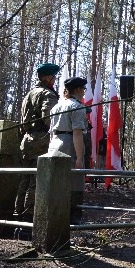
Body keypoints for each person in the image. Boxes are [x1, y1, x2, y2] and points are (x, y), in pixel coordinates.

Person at [15, 63, 60, 222]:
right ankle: (29, 216)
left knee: (24, 180)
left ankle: (18, 212)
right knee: (36, 180)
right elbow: (49, 119)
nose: (55, 80)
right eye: (53, 77)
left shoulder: (29, 94)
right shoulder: (47, 94)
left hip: (27, 140)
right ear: (47, 78)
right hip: (41, 141)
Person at [48, 76, 88, 224]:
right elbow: (77, 133)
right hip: (70, 144)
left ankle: (55, 215)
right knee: (75, 181)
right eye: (83, 89)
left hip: (54, 144)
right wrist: (79, 158)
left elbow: (51, 132)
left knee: (56, 181)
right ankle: (73, 218)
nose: (84, 92)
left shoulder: (56, 107)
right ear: (77, 89)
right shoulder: (77, 106)